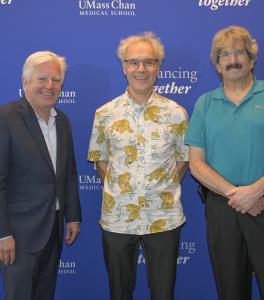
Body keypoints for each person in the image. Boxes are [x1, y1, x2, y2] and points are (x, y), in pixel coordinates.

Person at [185, 25, 264, 300]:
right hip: (223, 208)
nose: (232, 60)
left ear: (251, 59)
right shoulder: (204, 104)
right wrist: (236, 194)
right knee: (231, 291)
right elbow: (196, 164)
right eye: (224, 54)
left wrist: (256, 190)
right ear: (216, 64)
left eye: (239, 52)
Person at [87, 32, 188, 300]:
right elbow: (101, 162)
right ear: (124, 67)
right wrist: (124, 191)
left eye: (148, 62)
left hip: (164, 218)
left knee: (163, 293)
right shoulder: (104, 113)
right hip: (118, 218)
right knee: (119, 292)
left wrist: (158, 189)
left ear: (158, 66)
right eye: (133, 62)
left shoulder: (177, 113)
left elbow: (182, 160)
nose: (141, 69)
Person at [0, 51, 81, 300]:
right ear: (25, 82)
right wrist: (3, 233)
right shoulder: (5, 118)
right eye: (42, 79)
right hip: (19, 234)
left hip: (54, 228)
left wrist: (73, 216)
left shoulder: (63, 121)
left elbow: (68, 173)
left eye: (56, 80)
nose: (50, 86)